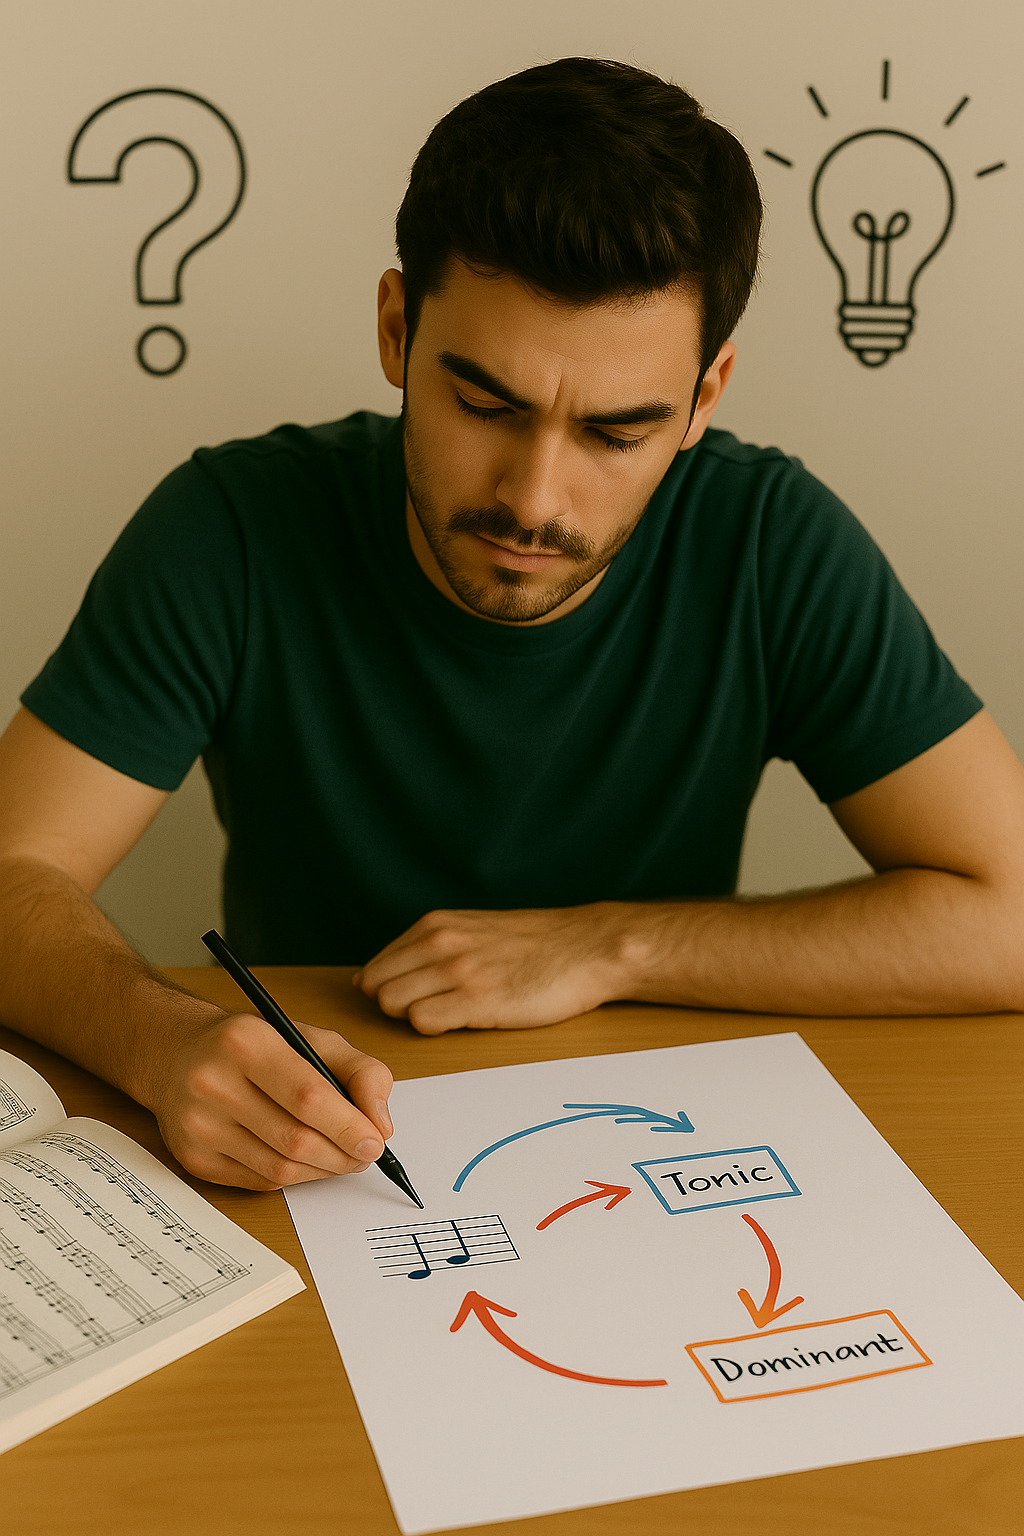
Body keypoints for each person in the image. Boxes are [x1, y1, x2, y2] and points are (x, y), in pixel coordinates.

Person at [1, 58, 1022, 1194]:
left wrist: (608, 946)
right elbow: (9, 869)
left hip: (656, 1144)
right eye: (486, 405)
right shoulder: (233, 525)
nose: (535, 500)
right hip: (310, 1155)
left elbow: (1011, 911)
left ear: (706, 396)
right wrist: (159, 1037)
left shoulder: (768, 539)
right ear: (396, 330)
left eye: (617, 432)